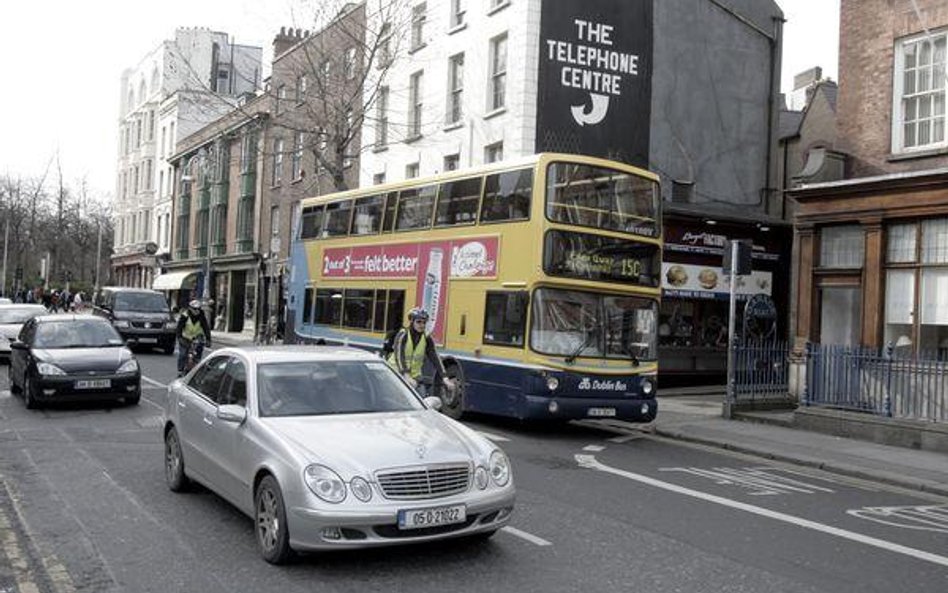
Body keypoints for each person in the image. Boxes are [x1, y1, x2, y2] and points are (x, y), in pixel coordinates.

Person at [386, 308, 454, 396]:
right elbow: (399, 356)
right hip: (396, 374)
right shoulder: (403, 335)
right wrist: (406, 375)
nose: (422, 325)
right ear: (412, 322)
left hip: (415, 377)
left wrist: (445, 378)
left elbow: (435, 358)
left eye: (424, 322)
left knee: (422, 400)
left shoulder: (426, 338)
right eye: (418, 322)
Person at [176, 299, 212, 376]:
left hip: (197, 337)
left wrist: (208, 339)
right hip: (185, 337)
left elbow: (206, 328)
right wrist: (179, 338)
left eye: (198, 309)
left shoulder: (201, 316)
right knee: (183, 354)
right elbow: (179, 328)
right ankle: (180, 370)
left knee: (198, 351)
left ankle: (196, 365)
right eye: (195, 309)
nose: (197, 311)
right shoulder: (185, 316)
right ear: (190, 308)